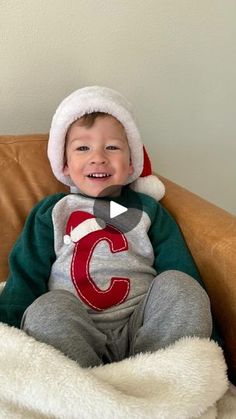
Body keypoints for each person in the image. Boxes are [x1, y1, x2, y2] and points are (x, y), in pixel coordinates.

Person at [0, 86, 215, 368]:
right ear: (65, 163)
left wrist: (213, 339)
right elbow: (25, 275)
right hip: (76, 334)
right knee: (46, 310)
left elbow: (181, 268)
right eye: (82, 148)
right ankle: (90, 391)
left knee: (181, 286)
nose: (98, 157)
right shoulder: (52, 211)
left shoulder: (149, 210)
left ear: (131, 163)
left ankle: (156, 381)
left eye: (112, 147)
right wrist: (7, 337)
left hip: (143, 330)